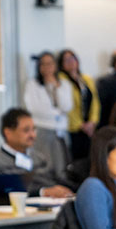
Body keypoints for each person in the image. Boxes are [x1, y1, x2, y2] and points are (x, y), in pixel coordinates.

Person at [0, 108, 74, 201]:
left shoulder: (38, 158)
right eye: (26, 130)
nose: (32, 135)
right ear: (8, 132)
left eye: (34, 130)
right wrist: (43, 192)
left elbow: (51, 182)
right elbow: (5, 191)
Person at [23, 51, 73, 180]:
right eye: (43, 64)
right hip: (42, 128)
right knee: (44, 166)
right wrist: (57, 113)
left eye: (50, 63)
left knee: (61, 167)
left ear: (55, 65)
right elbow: (34, 108)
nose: (47, 67)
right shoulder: (33, 84)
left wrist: (56, 87)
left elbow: (67, 106)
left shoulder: (63, 84)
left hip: (60, 131)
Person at [57, 49, 100, 161]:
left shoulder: (86, 79)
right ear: (61, 64)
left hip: (89, 127)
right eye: (66, 60)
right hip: (74, 128)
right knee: (77, 159)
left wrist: (92, 122)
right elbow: (67, 106)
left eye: (72, 58)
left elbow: (95, 101)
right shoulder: (61, 80)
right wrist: (81, 125)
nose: (71, 62)